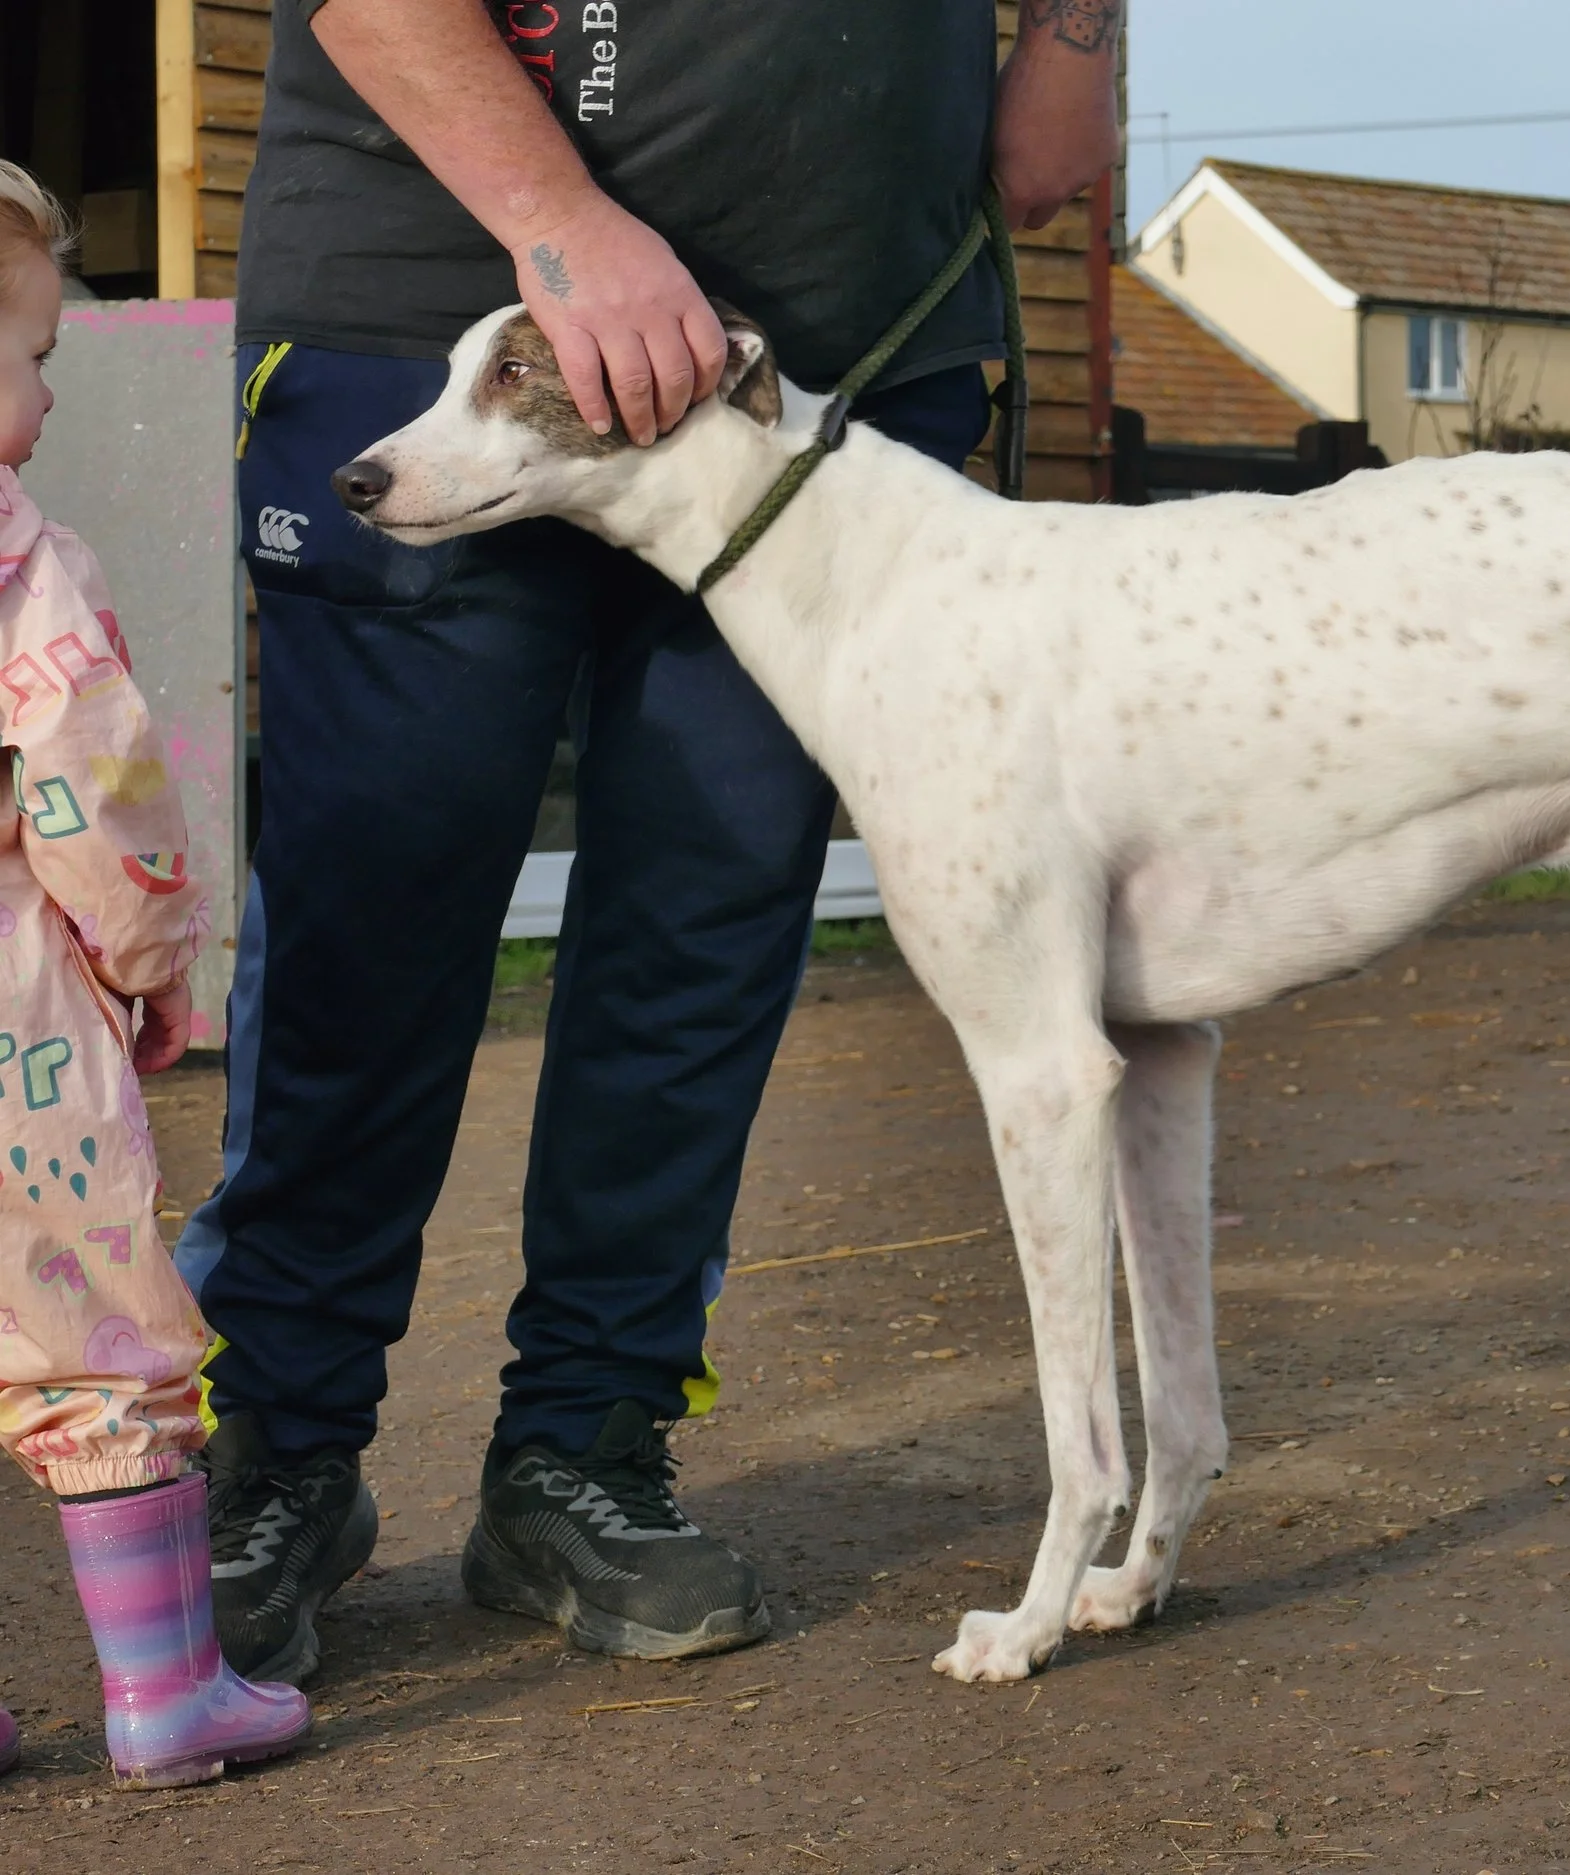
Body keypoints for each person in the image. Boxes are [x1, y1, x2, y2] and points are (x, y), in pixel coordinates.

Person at [176, 0, 1120, 1682]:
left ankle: (584, 1451)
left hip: (825, 371)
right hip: (439, 309)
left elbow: (1039, 165)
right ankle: (279, 1450)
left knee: (709, 924)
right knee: (370, 913)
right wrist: (567, 229)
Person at [0, 161, 310, 1788]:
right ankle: (164, 1695)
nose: (52, 387)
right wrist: (151, 966)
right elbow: (92, 789)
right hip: (16, 1037)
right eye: (35, 352)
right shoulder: (25, 568)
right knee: (95, 1342)